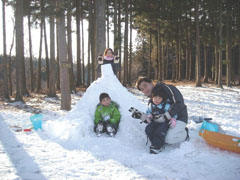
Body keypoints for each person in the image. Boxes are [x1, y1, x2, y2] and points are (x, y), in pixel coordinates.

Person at [134, 77, 189, 145]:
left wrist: (166, 116)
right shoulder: (152, 100)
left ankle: (185, 134)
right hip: (166, 122)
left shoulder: (166, 88)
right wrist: (143, 117)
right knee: (158, 134)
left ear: (151, 82)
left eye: (145, 85)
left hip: (179, 117)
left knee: (168, 139)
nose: (145, 90)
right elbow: (155, 116)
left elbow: (179, 103)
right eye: (142, 89)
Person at [145, 86, 177, 154]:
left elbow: (173, 114)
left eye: (159, 98)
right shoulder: (151, 105)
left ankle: (157, 146)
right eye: (155, 97)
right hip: (155, 122)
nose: (157, 100)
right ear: (152, 97)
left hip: (164, 123)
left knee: (160, 131)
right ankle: (155, 142)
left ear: (163, 99)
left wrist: (173, 120)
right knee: (148, 129)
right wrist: (149, 116)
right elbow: (148, 112)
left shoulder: (166, 105)